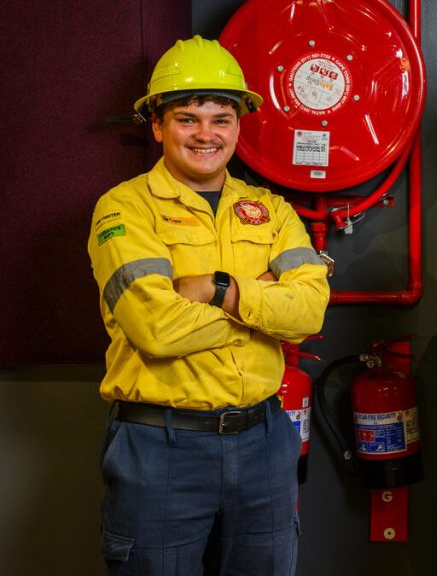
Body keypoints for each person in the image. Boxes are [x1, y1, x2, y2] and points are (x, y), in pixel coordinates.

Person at [87, 35, 330, 575]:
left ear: (239, 126)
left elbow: (309, 314)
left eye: (221, 118)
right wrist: (264, 298)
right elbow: (157, 328)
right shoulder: (125, 209)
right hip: (161, 446)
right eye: (186, 118)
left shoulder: (269, 208)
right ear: (156, 126)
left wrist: (219, 288)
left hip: (265, 440)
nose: (206, 134)